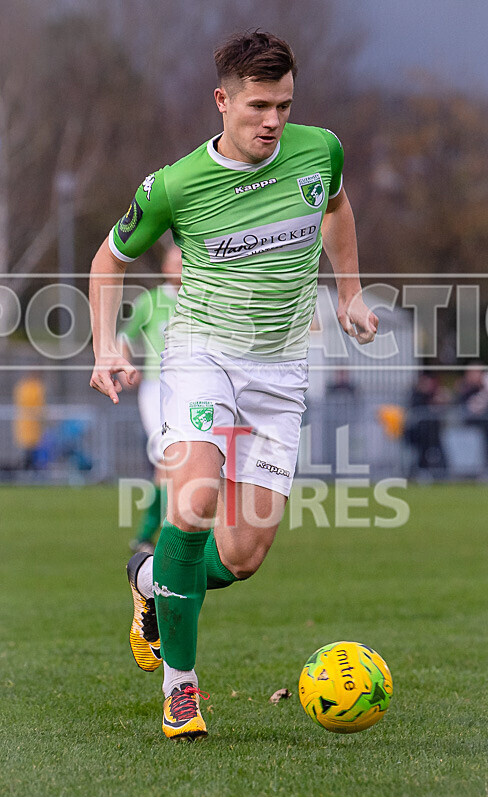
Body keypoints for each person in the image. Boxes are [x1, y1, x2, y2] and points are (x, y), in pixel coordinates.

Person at [89, 30, 378, 740]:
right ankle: (181, 687)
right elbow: (107, 257)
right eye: (256, 106)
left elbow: (335, 210)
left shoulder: (321, 150)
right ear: (222, 101)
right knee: (192, 502)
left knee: (243, 556)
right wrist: (105, 347)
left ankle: (152, 581)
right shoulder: (175, 186)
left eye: (282, 104)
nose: (271, 121)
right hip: (200, 354)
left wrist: (348, 295)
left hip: (280, 369)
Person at [118, 246, 182, 554]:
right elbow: (124, 337)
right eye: (174, 259)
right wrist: (125, 367)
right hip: (157, 389)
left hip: (193, 388)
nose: (180, 264)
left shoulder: (203, 299)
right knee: (169, 458)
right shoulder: (150, 301)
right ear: (165, 265)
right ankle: (165, 533)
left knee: (181, 461)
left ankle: (149, 535)